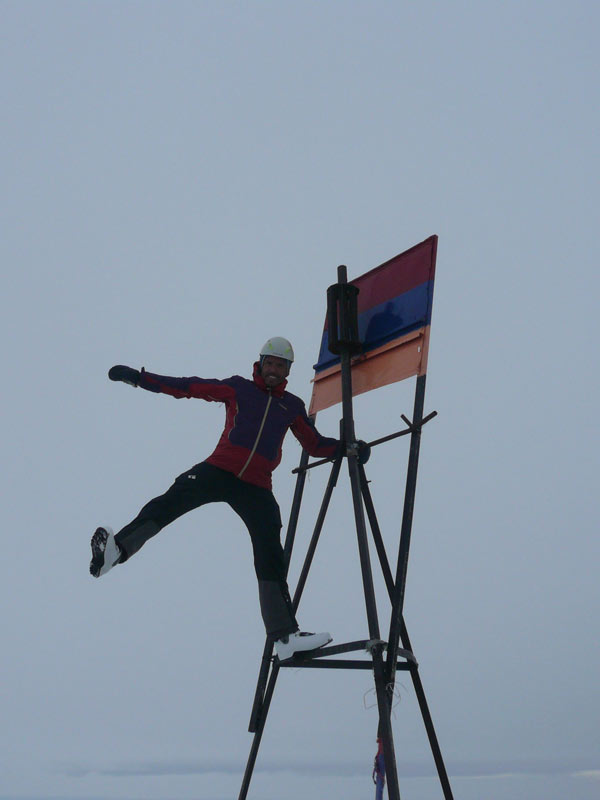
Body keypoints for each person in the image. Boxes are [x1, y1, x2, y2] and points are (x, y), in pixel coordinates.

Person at [90, 337, 340, 660]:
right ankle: (115, 551)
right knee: (171, 500)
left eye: (281, 365)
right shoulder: (239, 389)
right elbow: (190, 386)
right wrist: (140, 379)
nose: (275, 370)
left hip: (257, 486)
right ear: (260, 364)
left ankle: (284, 637)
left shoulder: (290, 406)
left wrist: (347, 447)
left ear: (288, 370)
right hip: (219, 469)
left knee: (270, 552)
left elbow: (315, 444)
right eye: (271, 363)